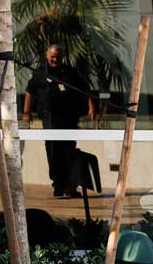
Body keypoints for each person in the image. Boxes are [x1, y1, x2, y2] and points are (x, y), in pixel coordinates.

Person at [24, 44, 95, 196]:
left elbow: (84, 89)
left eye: (58, 57)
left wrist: (91, 107)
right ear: (47, 56)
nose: (55, 59)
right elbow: (30, 93)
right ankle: (58, 185)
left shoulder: (70, 72)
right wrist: (26, 112)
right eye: (52, 56)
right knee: (53, 149)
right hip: (49, 117)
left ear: (62, 57)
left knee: (69, 149)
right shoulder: (39, 73)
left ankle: (70, 186)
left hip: (69, 116)